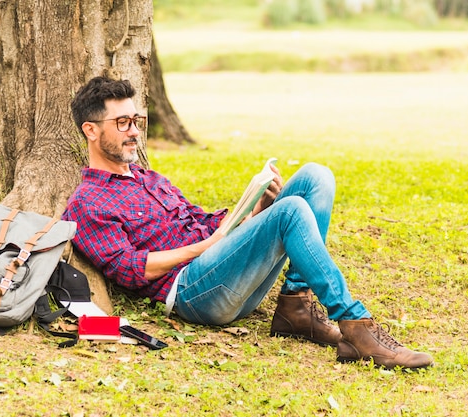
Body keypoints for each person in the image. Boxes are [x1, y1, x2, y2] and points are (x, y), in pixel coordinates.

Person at [62, 76, 433, 369]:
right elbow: (128, 270)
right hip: (191, 292)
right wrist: (207, 246)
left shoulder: (148, 177)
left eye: (137, 121)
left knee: (314, 177)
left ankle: (295, 309)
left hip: (221, 264)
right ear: (91, 130)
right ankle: (356, 327)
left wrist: (256, 212)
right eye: (123, 123)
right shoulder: (86, 202)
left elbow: (202, 221)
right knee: (290, 213)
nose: (134, 132)